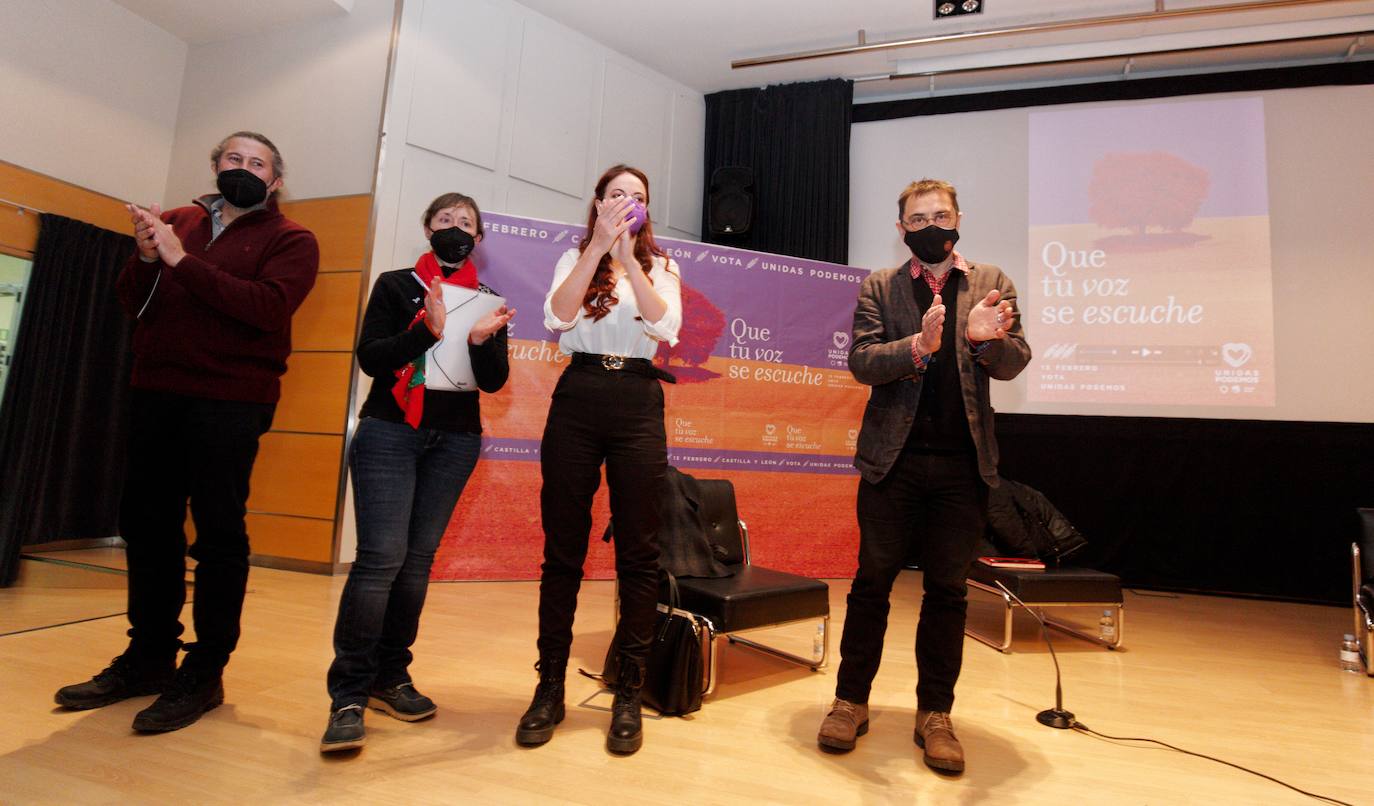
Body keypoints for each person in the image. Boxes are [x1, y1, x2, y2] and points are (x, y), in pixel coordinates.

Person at [54, 131, 320, 732]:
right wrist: (149, 258)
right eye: (233, 159)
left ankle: (204, 670)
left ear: (275, 182)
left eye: (258, 164)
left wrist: (180, 260)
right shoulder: (177, 221)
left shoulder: (292, 239)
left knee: (219, 534)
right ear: (214, 166)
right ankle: (148, 656)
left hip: (231, 401)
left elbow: (266, 310)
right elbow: (131, 301)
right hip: (156, 393)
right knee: (146, 527)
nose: (243, 169)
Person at [817, 178, 1030, 773]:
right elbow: (861, 361)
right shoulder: (880, 288)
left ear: (959, 217)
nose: (930, 226)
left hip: (964, 467)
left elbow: (1016, 362)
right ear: (902, 229)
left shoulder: (991, 283)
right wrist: (918, 345)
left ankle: (935, 714)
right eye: (917, 219)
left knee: (948, 592)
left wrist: (985, 343)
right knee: (871, 584)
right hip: (893, 464)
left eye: (940, 215)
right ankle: (849, 700)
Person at [320, 193, 514, 753]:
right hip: (389, 431)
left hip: (454, 439)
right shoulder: (395, 284)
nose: (456, 230)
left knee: (417, 562)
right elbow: (373, 358)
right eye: (446, 221)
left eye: (467, 224)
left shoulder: (486, 300)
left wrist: (479, 342)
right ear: (428, 228)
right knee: (381, 558)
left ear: (478, 239)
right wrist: (425, 331)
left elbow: (495, 382)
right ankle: (349, 693)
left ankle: (390, 677)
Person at [515, 164, 682, 756]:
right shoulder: (573, 259)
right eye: (617, 195)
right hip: (579, 396)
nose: (627, 203)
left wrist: (632, 260)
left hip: (638, 399)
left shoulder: (663, 267)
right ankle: (550, 686)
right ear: (597, 203)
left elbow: (668, 328)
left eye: (638, 197)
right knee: (563, 547)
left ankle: (629, 692)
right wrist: (599, 250)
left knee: (639, 551)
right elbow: (557, 318)